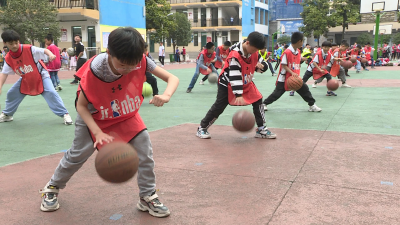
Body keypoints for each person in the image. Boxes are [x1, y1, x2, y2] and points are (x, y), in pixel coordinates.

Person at [39, 27, 179, 217]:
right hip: (95, 116)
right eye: (123, 65)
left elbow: (172, 78)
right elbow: (81, 106)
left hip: (125, 113)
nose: (129, 69)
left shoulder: (140, 60)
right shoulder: (94, 72)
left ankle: (147, 195)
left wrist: (166, 95)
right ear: (109, 53)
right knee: (77, 155)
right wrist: (97, 132)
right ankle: (52, 187)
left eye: (133, 64)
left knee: (145, 152)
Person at [196, 31, 276, 139]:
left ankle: (261, 129)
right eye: (254, 50)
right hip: (228, 83)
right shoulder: (235, 54)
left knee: (258, 100)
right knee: (219, 106)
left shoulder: (254, 51)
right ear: (247, 43)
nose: (255, 52)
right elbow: (235, 75)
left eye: (257, 50)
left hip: (245, 81)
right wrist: (238, 95)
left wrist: (263, 66)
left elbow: (260, 63)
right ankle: (202, 128)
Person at [0, 30, 73, 124]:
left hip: (41, 75)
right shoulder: (8, 58)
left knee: (51, 92)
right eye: (11, 43)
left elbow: (44, 50)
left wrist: (51, 55)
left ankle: (65, 114)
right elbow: (4, 73)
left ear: (19, 41)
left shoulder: (29, 49)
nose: (14, 45)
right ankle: (7, 115)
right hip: (26, 79)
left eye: (16, 43)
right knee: (12, 93)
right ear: (5, 43)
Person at [262, 32, 322, 112]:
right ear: (299, 41)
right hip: (284, 78)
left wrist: (304, 59)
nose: (302, 43)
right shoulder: (287, 52)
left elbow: (297, 59)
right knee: (277, 93)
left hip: (295, 78)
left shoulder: (297, 51)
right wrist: (292, 72)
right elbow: (284, 65)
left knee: (305, 90)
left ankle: (312, 105)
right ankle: (264, 104)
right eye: (302, 41)